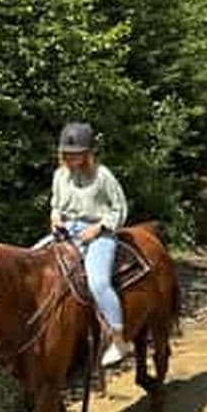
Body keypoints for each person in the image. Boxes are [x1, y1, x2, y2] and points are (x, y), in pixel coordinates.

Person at [50, 121, 130, 366]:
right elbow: (55, 204)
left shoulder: (103, 176)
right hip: (67, 231)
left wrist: (99, 228)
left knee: (98, 282)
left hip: (99, 232)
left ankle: (119, 340)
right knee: (31, 261)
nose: (72, 159)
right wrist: (54, 217)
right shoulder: (59, 175)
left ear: (87, 154)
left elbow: (120, 208)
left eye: (77, 155)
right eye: (68, 154)